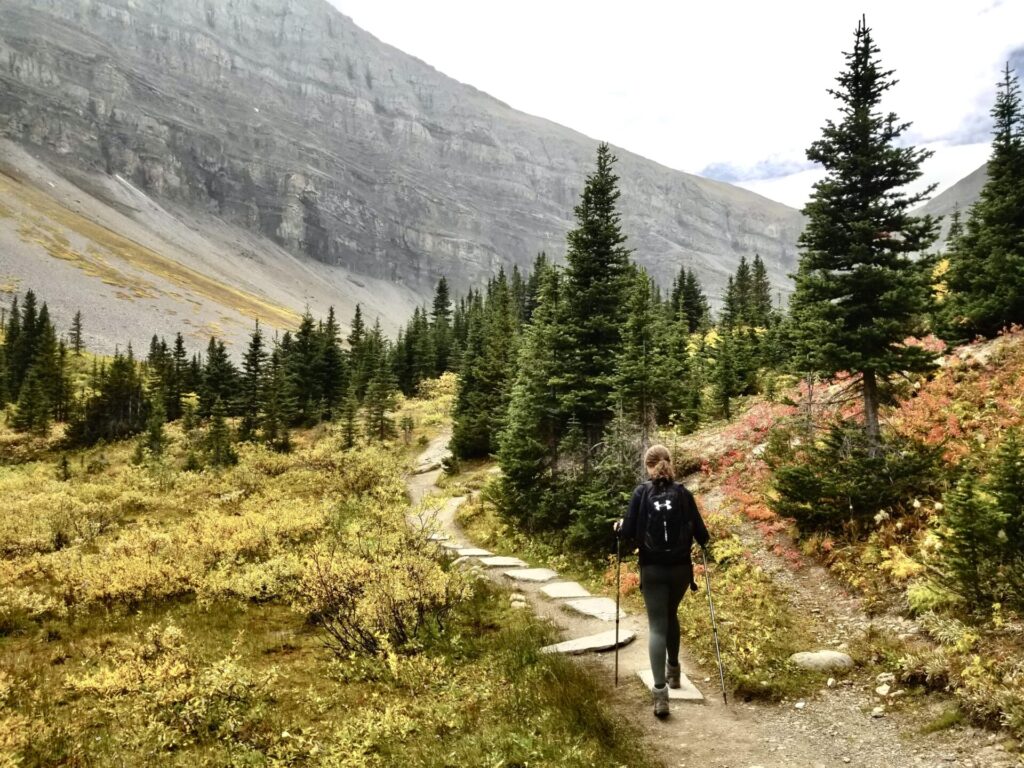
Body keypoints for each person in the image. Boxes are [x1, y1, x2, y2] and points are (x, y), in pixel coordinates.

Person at [615, 443, 709, 719]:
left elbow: (629, 532)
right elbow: (703, 535)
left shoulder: (641, 493)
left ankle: (660, 695)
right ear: (669, 463)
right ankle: (675, 672)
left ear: (648, 466)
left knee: (657, 625)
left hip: (653, 569)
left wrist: (619, 527)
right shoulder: (683, 494)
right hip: (680, 570)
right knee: (671, 615)